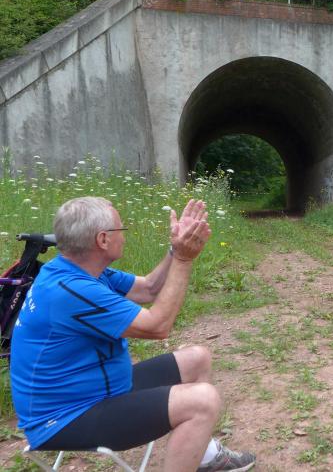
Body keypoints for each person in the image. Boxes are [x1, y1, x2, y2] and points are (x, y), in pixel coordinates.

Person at [10, 197, 255, 472]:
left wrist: (175, 249)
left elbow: (149, 288)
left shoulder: (82, 271)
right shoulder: (70, 290)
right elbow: (157, 326)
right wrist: (184, 259)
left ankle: (204, 457)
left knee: (197, 358)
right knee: (203, 401)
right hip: (66, 417)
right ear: (103, 240)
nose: (124, 235)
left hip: (101, 391)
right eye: (121, 229)